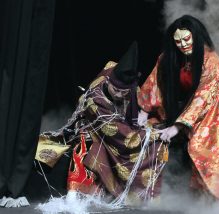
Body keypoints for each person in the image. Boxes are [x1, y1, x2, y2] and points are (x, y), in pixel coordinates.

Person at [35, 42, 167, 205]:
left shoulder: (130, 85)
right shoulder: (95, 98)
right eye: (115, 89)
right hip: (94, 128)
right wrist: (148, 134)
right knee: (88, 146)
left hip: (123, 129)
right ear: (109, 81)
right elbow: (117, 131)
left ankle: (146, 196)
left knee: (157, 144)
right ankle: (75, 193)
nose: (119, 94)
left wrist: (151, 127)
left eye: (124, 91)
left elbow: (142, 110)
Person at [137, 15, 219, 199]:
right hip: (188, 108)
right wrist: (144, 110)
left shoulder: (211, 60)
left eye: (187, 39)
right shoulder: (168, 58)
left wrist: (178, 126)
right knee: (148, 128)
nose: (183, 45)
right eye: (178, 41)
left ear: (197, 36)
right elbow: (155, 82)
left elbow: (204, 95)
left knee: (202, 143)